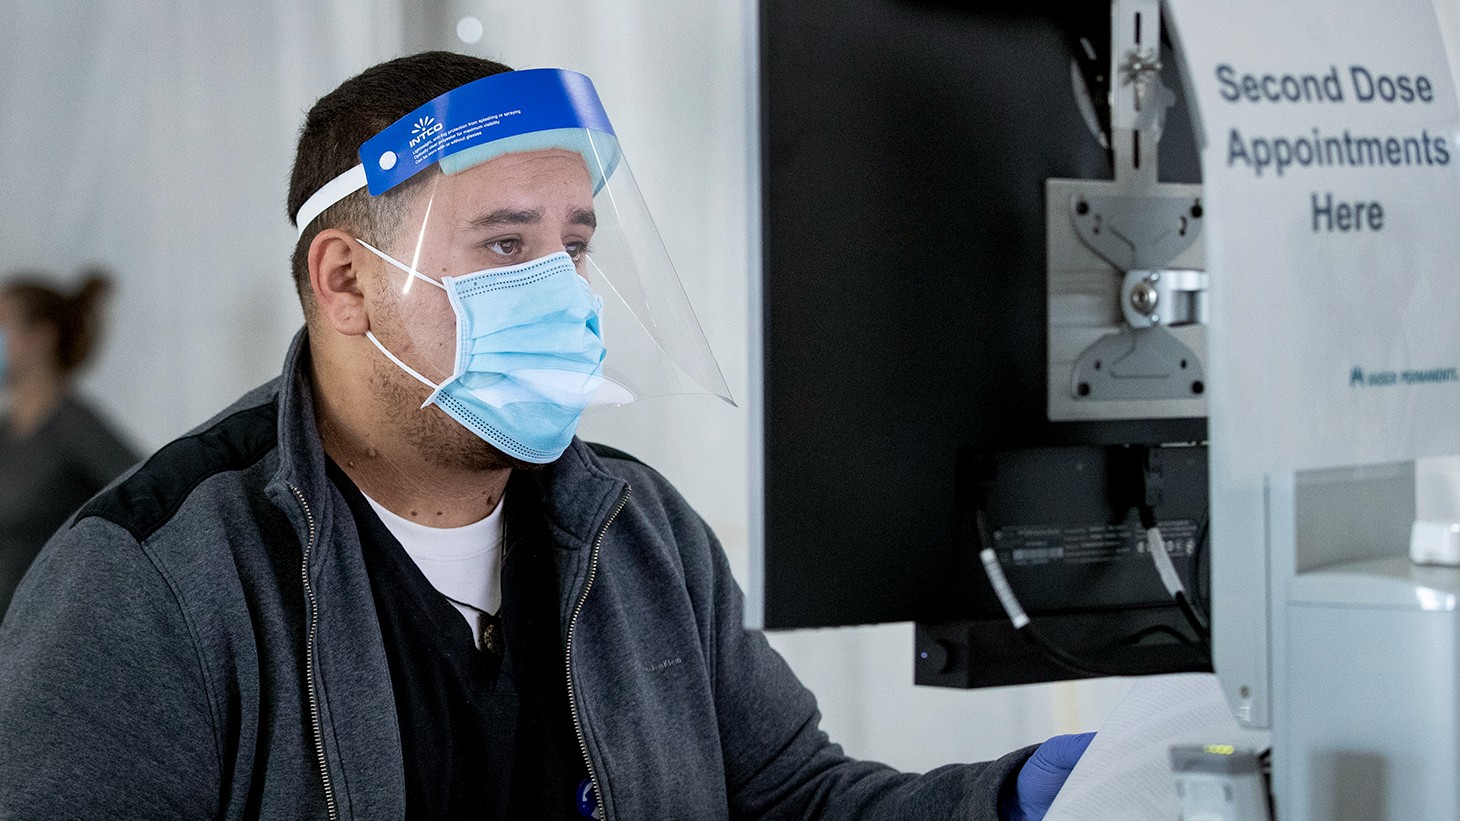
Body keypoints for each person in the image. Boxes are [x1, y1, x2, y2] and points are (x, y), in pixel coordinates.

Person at [0, 53, 1090, 819]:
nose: (565, 292)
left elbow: (792, 798)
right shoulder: (153, 580)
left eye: (573, 244)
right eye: (504, 242)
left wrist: (1011, 794)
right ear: (346, 281)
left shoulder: (640, 531)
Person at [0, 270, 137, 615]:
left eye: (2, 324)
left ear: (41, 338)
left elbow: (149, 498)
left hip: (42, 639)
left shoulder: (76, 429)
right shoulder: (6, 431)